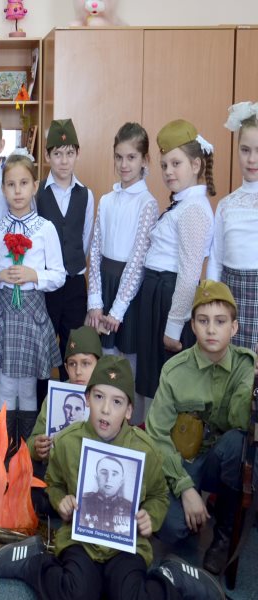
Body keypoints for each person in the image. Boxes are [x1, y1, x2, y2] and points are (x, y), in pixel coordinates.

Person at [0, 355, 226, 600]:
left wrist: (150, 517)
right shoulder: (67, 442)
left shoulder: (145, 450)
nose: (105, 409)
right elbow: (55, 483)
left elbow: (158, 495)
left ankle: (171, 576)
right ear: (87, 398)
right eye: (99, 396)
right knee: (75, 594)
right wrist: (62, 501)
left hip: (127, 545)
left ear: (129, 410)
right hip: (80, 541)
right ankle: (34, 561)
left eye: (117, 402)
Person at [145, 280, 255, 575]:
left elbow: (242, 422)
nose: (211, 329)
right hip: (185, 462)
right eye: (203, 321)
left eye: (220, 322)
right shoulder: (175, 371)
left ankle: (223, 533)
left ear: (234, 328)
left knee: (236, 443)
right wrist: (186, 490)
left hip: (223, 460)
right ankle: (193, 511)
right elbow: (156, 436)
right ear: (192, 325)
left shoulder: (247, 366)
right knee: (171, 529)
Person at [134, 119, 216, 405]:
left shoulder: (193, 209)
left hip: (169, 299)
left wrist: (173, 326)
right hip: (159, 293)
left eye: (176, 163)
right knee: (154, 383)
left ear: (195, 165)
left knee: (165, 388)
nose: (168, 171)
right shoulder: (182, 203)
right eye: (164, 164)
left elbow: (190, 273)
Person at [0, 150, 65, 446]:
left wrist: (34, 275)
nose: (17, 191)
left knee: (30, 387)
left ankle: (27, 454)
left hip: (33, 313)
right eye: (10, 184)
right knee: (6, 384)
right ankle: (3, 453)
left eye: (23, 183)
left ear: (35, 186)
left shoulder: (46, 229)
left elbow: (58, 274)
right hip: (6, 312)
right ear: (3, 188)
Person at [87, 122, 158, 424]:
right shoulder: (106, 199)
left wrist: (116, 311)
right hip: (104, 285)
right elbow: (95, 250)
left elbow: (138, 262)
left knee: (126, 365)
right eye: (119, 157)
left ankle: (126, 428)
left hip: (128, 295)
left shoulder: (148, 204)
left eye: (131, 157)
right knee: (103, 363)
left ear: (144, 160)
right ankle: (102, 425)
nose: (124, 164)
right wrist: (95, 301)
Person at [36, 119, 95, 380]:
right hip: (46, 285)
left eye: (69, 153)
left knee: (71, 348)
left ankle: (68, 404)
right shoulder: (37, 192)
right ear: (47, 156)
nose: (63, 161)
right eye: (57, 154)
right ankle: (41, 408)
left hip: (73, 284)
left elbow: (85, 238)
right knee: (42, 346)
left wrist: (72, 263)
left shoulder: (86, 194)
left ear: (78, 154)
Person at [208, 101, 258, 352]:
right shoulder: (227, 205)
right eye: (245, 150)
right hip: (230, 298)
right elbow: (216, 260)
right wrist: (211, 305)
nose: (252, 159)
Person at [27, 325, 102, 465]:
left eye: (86, 363)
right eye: (72, 364)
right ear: (66, 368)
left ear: (99, 365)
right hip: (57, 476)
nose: (78, 371)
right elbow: (33, 440)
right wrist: (36, 447)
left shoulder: (108, 395)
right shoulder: (55, 397)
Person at [79, 455, 133, 534]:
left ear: (121, 482)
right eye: (104, 473)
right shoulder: (82, 502)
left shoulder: (130, 507)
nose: (108, 479)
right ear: (96, 478)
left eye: (114, 474)